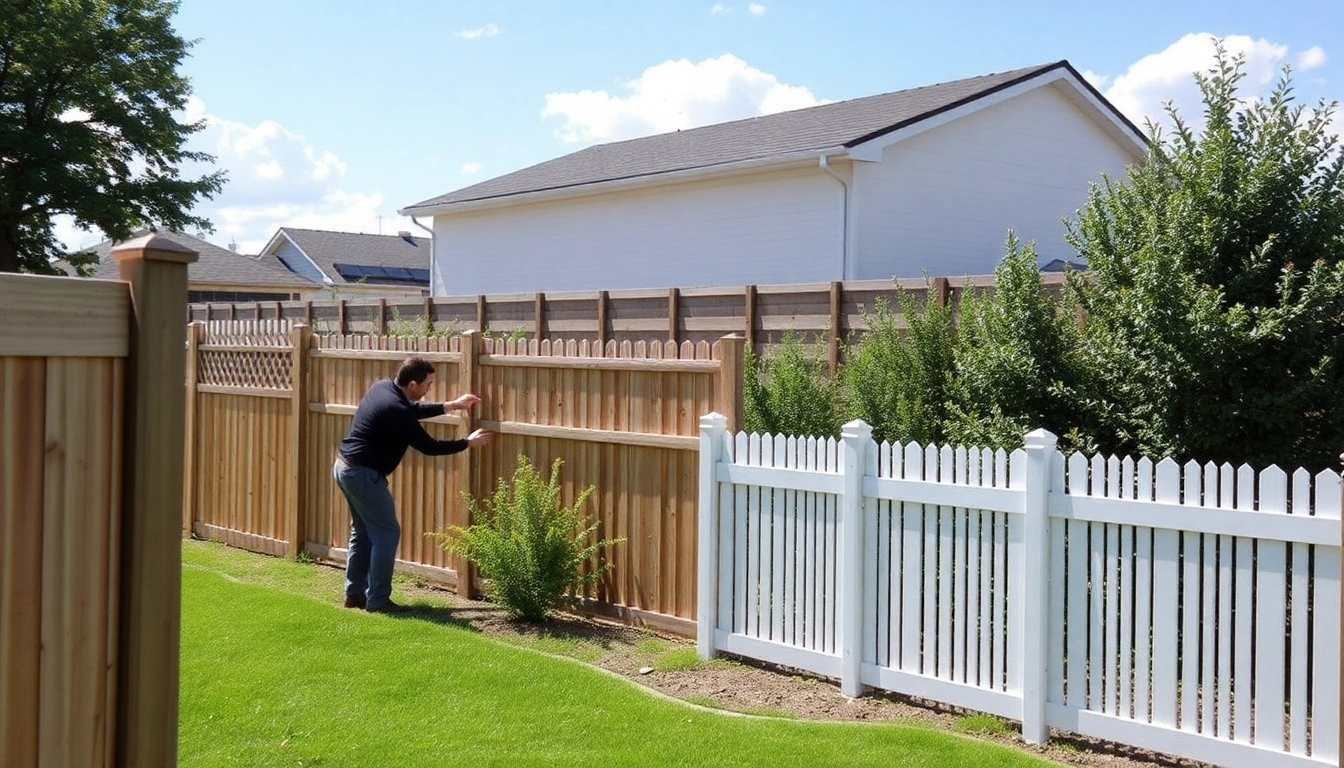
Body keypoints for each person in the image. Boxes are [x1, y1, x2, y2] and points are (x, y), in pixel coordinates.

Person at [333, 356, 492, 613]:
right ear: (413, 384)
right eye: (428, 384)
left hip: (344, 468)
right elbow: (429, 447)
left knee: (362, 532)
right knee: (387, 533)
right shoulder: (396, 409)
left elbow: (411, 411)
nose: (430, 388)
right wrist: (467, 443)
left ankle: (355, 594)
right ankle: (378, 601)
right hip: (362, 474)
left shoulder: (383, 388)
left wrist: (451, 405)